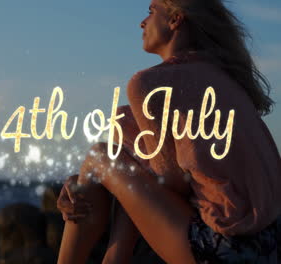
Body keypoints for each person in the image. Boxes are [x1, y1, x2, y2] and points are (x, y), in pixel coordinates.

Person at [56, 0, 281, 263]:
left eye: (151, 11)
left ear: (175, 20)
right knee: (115, 154)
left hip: (227, 248)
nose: (142, 22)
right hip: (270, 245)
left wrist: (89, 177)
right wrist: (88, 180)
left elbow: (167, 182)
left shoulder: (150, 84)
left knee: (99, 156)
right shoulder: (225, 79)